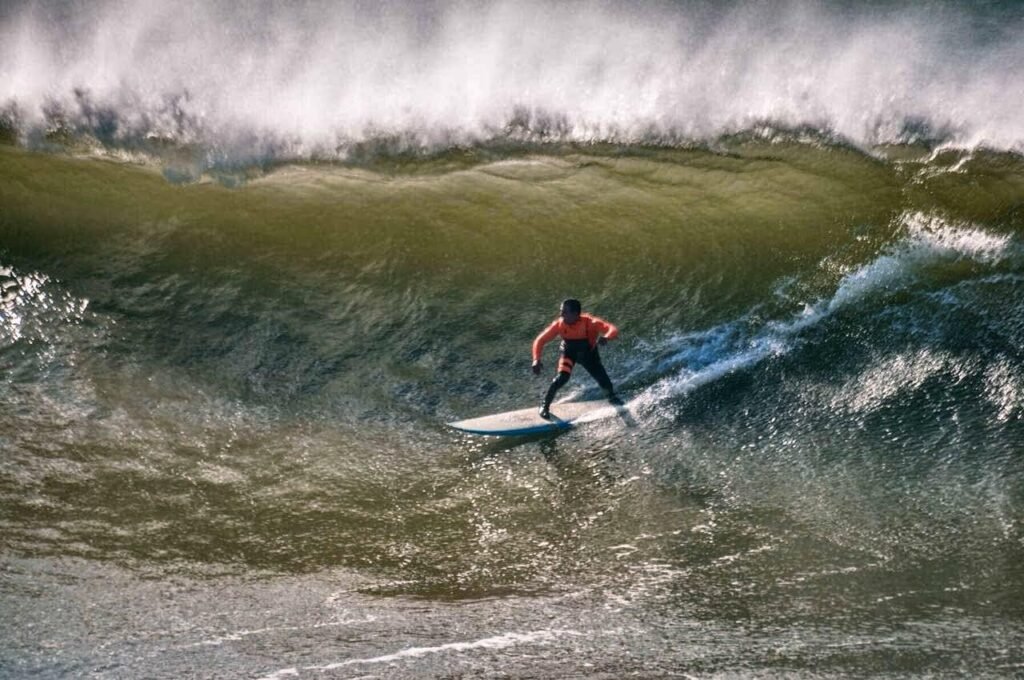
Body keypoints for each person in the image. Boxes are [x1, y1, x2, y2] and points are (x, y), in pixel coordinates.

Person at [531, 298, 623, 419]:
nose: (561, 315)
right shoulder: (559, 324)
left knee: (603, 380)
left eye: (565, 312)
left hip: (589, 355)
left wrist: (607, 337)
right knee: (561, 379)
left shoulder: (591, 323)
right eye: (561, 311)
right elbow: (540, 340)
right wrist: (536, 359)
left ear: (575, 314)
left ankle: (613, 398)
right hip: (568, 352)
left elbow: (612, 329)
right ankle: (544, 405)